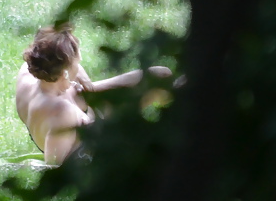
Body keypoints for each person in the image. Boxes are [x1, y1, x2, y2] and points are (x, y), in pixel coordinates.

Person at [15, 23, 173, 165]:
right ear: (65, 72)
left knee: (161, 76)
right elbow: (55, 167)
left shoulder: (31, 70)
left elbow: (61, 65)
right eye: (77, 62)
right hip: (87, 144)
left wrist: (86, 84)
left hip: (76, 106)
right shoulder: (62, 111)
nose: (79, 63)